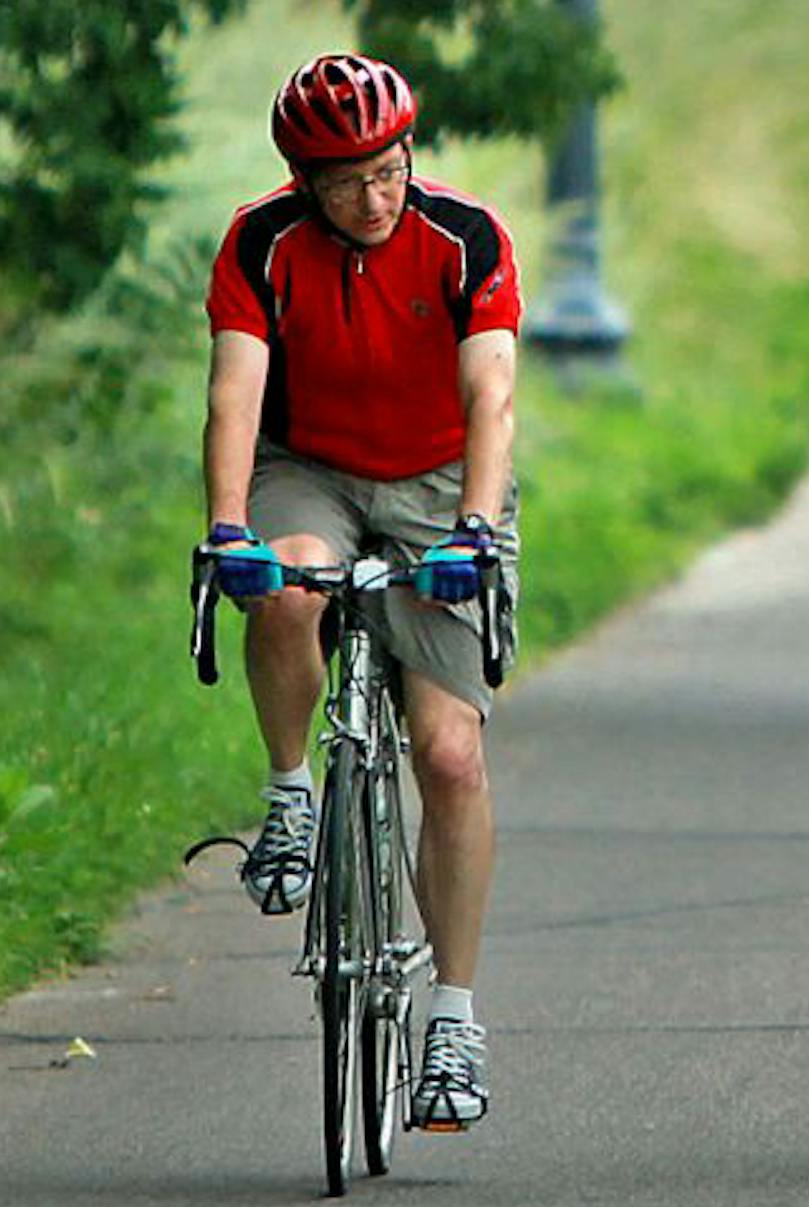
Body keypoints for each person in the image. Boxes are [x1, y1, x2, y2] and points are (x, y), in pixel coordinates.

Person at [197, 52, 521, 1131]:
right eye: (345, 183)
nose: (374, 198)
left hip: (439, 480)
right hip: (314, 467)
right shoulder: (261, 243)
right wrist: (228, 527)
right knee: (286, 589)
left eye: (387, 171)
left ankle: (455, 1019)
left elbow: (493, 393)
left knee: (450, 753)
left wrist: (476, 527)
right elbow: (235, 393)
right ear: (302, 181)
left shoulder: (464, 236)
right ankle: (292, 794)